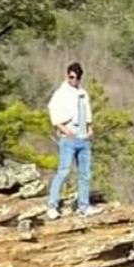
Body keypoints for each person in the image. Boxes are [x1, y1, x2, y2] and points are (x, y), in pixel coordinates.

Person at [46, 62, 100, 218]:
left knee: (85, 173)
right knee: (63, 171)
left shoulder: (83, 93)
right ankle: (52, 205)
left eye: (76, 77)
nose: (73, 80)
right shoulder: (61, 93)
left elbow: (87, 113)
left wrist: (90, 128)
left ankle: (84, 205)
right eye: (71, 77)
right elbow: (54, 113)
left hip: (83, 138)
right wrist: (65, 131)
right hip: (69, 137)